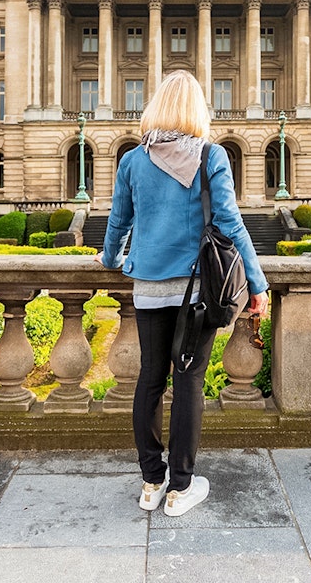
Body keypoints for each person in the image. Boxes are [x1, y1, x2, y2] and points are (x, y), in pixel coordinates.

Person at [96, 69, 268, 517]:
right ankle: (181, 488)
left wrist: (111, 259)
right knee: (188, 382)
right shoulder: (211, 157)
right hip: (197, 291)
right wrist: (257, 282)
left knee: (150, 380)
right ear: (198, 111)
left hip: (149, 287)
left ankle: (151, 482)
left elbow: (118, 221)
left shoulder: (133, 160)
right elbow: (230, 223)